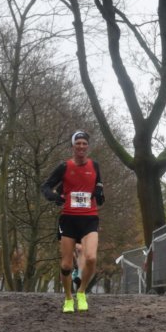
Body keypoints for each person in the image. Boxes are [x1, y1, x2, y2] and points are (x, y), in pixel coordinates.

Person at [41, 130, 105, 313]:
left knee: (91, 257)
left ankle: (82, 292)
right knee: (66, 265)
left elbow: (98, 183)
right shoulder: (64, 166)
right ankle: (69, 298)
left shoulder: (94, 165)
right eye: (78, 143)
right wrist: (54, 197)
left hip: (89, 218)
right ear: (73, 146)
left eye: (84, 143)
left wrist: (99, 192)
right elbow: (46, 186)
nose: (81, 146)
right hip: (69, 218)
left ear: (88, 146)